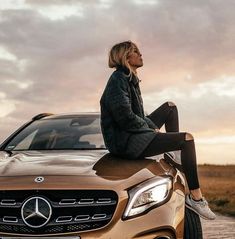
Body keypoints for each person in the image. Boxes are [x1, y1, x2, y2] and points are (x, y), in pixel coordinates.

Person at [100, 40, 216, 220]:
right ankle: (196, 198)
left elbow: (136, 115)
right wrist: (151, 130)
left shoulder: (129, 79)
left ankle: (172, 153)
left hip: (132, 134)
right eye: (136, 52)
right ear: (126, 57)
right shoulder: (118, 79)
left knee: (170, 107)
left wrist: (151, 126)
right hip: (125, 142)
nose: (141, 54)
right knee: (187, 139)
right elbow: (124, 117)